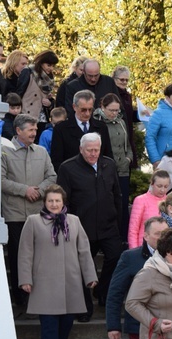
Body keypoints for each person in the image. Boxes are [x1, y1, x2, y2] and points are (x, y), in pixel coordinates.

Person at [19, 184, 97, 339]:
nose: (54, 204)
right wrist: (25, 279)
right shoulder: (33, 222)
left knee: (67, 322)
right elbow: (25, 252)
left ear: (63, 203)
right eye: (50, 201)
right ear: (44, 202)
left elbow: (84, 251)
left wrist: (90, 275)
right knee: (49, 325)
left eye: (57, 201)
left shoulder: (74, 221)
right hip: (44, 281)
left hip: (70, 280)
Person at [56, 133, 122, 322]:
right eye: (89, 150)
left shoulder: (108, 164)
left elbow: (116, 194)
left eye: (96, 150)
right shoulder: (67, 168)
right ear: (81, 149)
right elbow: (63, 201)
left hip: (108, 225)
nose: (93, 154)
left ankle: (102, 292)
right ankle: (84, 306)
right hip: (82, 227)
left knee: (116, 257)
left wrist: (119, 222)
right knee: (82, 266)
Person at [1, 114, 57, 307]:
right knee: (18, 258)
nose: (35, 133)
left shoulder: (42, 152)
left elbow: (52, 176)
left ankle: (40, 295)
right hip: (14, 214)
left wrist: (39, 191)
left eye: (35, 130)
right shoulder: (4, 152)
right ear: (18, 130)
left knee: (40, 256)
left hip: (38, 214)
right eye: (31, 130)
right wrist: (24, 190)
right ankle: (21, 300)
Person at [94, 93, 133, 243]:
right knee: (107, 203)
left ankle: (123, 238)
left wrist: (128, 159)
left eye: (117, 110)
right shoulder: (97, 122)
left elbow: (128, 144)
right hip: (106, 169)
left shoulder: (121, 122)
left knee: (122, 203)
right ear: (102, 107)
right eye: (111, 110)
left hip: (123, 168)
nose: (114, 113)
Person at [49, 89, 112, 169]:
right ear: (74, 107)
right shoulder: (61, 129)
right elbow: (56, 160)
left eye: (90, 109)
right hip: (71, 177)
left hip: (97, 177)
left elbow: (107, 156)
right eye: (83, 110)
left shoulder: (101, 127)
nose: (87, 113)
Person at [16, 50, 58, 135]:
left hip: (42, 118)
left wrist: (50, 104)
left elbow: (49, 99)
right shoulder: (28, 72)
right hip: (27, 114)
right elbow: (19, 93)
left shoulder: (49, 79)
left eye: (53, 66)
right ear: (41, 63)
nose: (51, 68)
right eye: (48, 65)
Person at [112, 65, 145, 170]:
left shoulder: (127, 96)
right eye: (121, 79)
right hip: (115, 135)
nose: (124, 82)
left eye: (126, 80)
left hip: (127, 135)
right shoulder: (111, 95)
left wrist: (141, 114)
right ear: (114, 79)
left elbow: (128, 115)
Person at [128, 170, 170, 249]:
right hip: (144, 247)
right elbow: (133, 230)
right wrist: (134, 251)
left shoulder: (170, 201)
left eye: (166, 186)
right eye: (159, 186)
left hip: (164, 248)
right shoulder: (141, 200)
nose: (162, 190)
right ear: (152, 184)